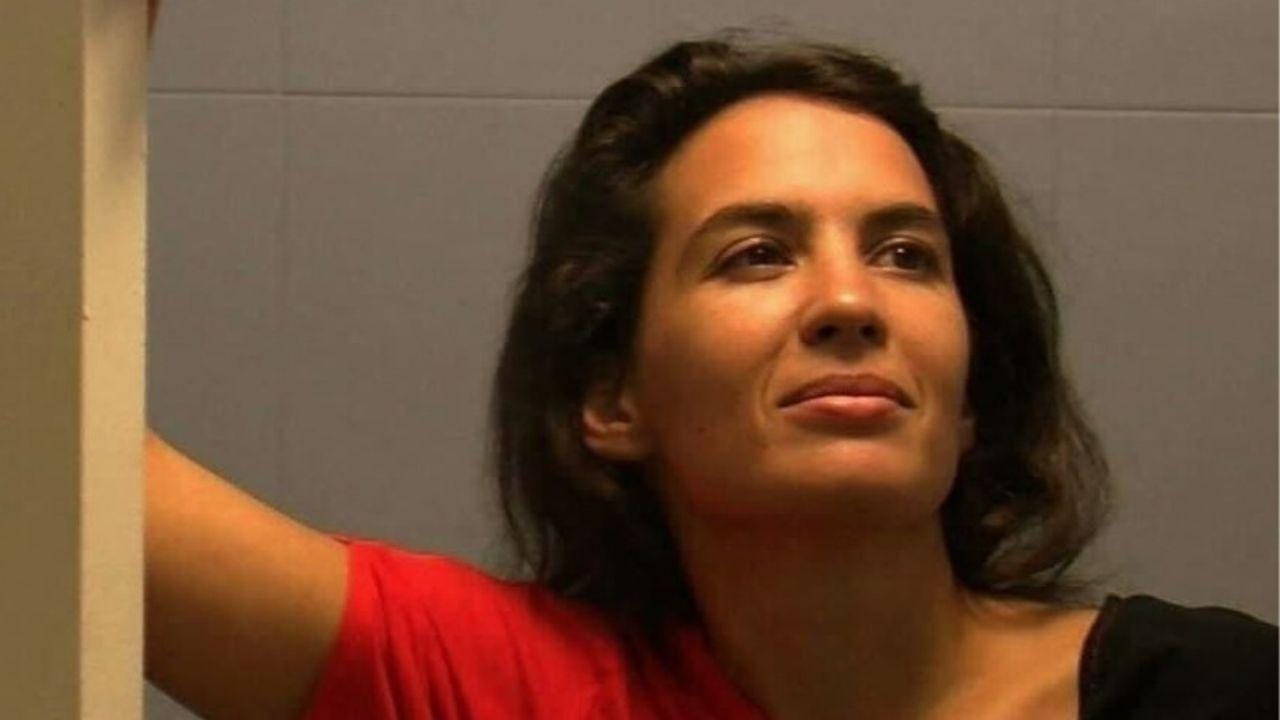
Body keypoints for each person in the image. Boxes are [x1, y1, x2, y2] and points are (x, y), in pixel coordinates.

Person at [144, 19, 1277, 720]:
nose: (850, 304)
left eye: (905, 255)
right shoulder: (513, 690)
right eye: (756, 255)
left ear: (972, 389)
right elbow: (76, 470)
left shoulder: (1218, 694)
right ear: (612, 396)